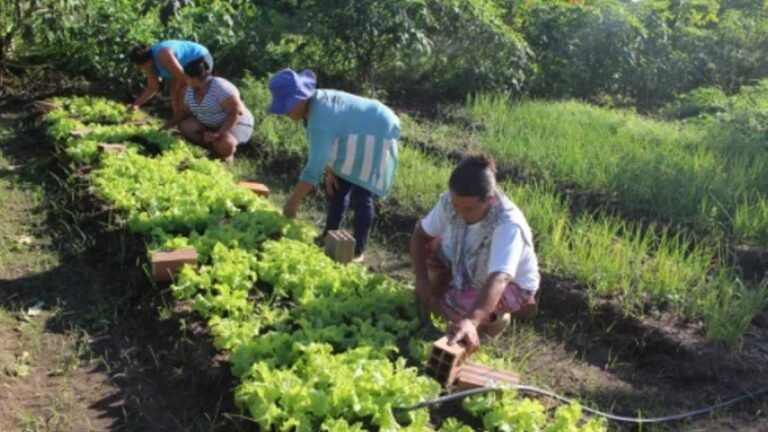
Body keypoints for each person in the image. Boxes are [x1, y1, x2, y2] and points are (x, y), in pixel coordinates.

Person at [266, 68, 400, 262]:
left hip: (377, 130)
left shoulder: (319, 116)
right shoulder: (312, 107)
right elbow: (329, 143)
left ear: (302, 98)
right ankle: (329, 235)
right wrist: (332, 169)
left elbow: (313, 170)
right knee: (338, 184)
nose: (285, 112)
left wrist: (292, 204)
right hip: (359, 130)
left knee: (362, 192)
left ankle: (357, 251)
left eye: (287, 106)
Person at [410, 154, 540, 352]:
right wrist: (421, 280)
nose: (460, 212)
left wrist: (471, 320)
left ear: (489, 199)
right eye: (456, 205)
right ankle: (459, 293)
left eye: (469, 209)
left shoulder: (507, 225)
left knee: (453, 306)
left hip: (509, 283)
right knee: (429, 254)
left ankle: (496, 319)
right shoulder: (451, 202)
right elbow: (420, 235)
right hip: (466, 261)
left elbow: (499, 278)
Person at [162, 58, 254, 163]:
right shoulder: (189, 90)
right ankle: (214, 150)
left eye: (187, 77)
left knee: (226, 145)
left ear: (195, 78)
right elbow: (184, 113)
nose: (185, 80)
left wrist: (218, 134)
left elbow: (236, 113)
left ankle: (226, 154)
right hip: (211, 125)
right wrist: (164, 128)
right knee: (186, 126)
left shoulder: (221, 88)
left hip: (236, 124)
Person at [128, 40, 213, 118]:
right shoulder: (149, 65)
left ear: (147, 62)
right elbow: (152, 88)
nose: (142, 70)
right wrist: (136, 104)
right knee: (174, 94)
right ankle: (178, 121)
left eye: (141, 68)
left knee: (182, 92)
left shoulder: (164, 55)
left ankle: (195, 119)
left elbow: (185, 78)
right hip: (182, 67)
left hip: (199, 60)